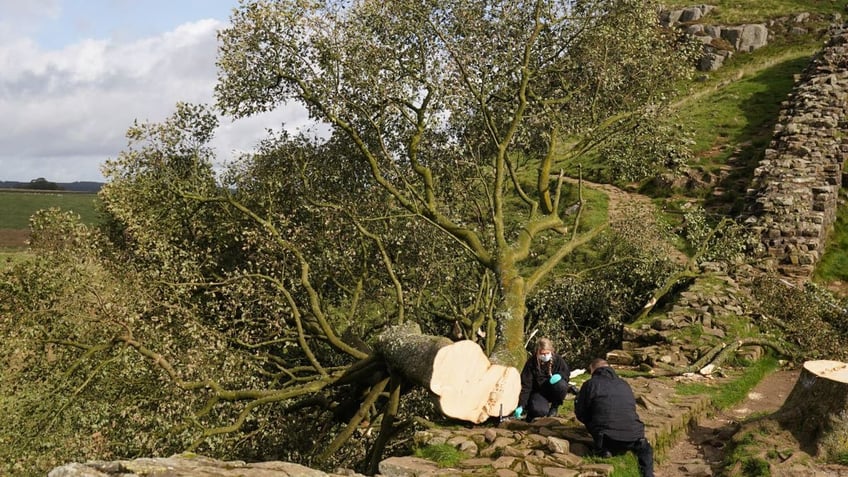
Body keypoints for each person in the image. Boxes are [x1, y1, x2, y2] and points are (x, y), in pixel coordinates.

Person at [574, 358, 654, 477]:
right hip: (634, 436)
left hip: (606, 437)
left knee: (592, 417)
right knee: (645, 449)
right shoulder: (624, 383)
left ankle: (604, 449)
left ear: (593, 370)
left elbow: (581, 413)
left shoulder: (590, 384)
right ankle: (648, 474)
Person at [513, 337, 572, 421]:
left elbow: (566, 373)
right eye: (542, 354)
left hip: (553, 390)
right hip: (538, 392)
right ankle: (531, 412)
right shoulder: (531, 363)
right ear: (537, 352)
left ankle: (555, 406)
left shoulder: (558, 360)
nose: (545, 356)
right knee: (539, 411)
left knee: (561, 385)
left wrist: (560, 375)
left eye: (547, 353)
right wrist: (521, 405)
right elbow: (526, 386)